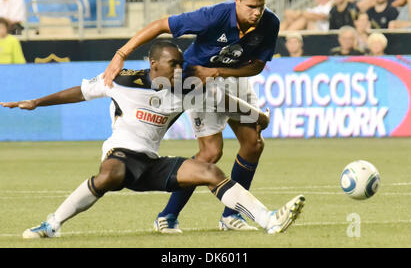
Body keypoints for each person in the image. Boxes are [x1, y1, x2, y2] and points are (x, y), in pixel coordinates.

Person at [0, 41, 305, 238]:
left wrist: (258, 117)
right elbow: (81, 91)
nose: (178, 68)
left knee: (210, 171)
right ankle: (52, 224)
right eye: (172, 63)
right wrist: (37, 102)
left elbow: (226, 102)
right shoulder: (121, 80)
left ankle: (269, 220)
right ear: (153, 64)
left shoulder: (187, 88)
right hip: (120, 154)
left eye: (180, 63)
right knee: (113, 173)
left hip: (151, 163)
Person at [102, 0, 280, 233]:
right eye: (251, 6)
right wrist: (121, 54)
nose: (257, 12)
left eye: (261, 6)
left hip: (229, 76)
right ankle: (167, 215)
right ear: (236, 1)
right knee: (211, 153)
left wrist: (219, 72)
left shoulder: (270, 22)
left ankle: (232, 217)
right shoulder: (213, 17)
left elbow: (258, 66)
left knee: (254, 144)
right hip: (198, 79)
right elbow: (161, 25)